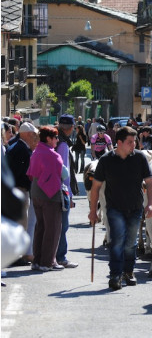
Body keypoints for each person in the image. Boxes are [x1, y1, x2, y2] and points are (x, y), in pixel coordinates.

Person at [88, 126, 152, 291]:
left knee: (130, 243)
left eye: (135, 141)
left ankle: (128, 272)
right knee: (117, 242)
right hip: (114, 208)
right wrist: (92, 211)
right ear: (119, 142)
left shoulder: (139, 158)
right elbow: (96, 187)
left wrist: (151, 203)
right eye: (130, 142)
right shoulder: (106, 160)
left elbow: (150, 182)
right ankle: (115, 275)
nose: (134, 145)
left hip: (135, 207)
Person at [26, 126, 66, 272]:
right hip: (50, 195)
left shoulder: (36, 151)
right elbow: (62, 174)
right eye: (55, 137)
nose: (57, 140)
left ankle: (37, 261)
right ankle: (47, 262)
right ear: (48, 139)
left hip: (36, 192)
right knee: (53, 229)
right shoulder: (52, 154)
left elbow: (32, 173)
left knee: (40, 227)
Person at [6, 122, 39, 263]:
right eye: (33, 135)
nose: (35, 138)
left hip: (19, 189)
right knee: (20, 225)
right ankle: (16, 256)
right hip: (19, 189)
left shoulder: (20, 147)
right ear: (26, 135)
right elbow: (19, 173)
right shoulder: (21, 149)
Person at [55, 115, 79, 269]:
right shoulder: (63, 145)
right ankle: (61, 257)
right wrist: (68, 195)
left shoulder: (56, 140)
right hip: (61, 190)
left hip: (52, 190)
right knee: (63, 226)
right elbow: (64, 173)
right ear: (70, 128)